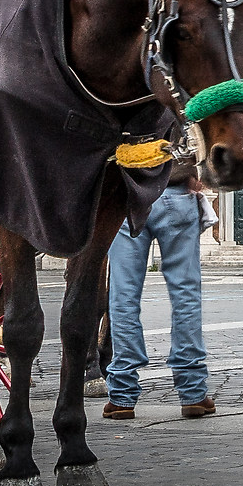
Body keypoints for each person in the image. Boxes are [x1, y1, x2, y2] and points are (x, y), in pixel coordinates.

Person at [102, 158, 215, 420]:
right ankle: (193, 393)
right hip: (177, 194)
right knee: (186, 295)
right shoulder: (183, 113)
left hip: (128, 197)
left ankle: (122, 395)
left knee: (123, 297)